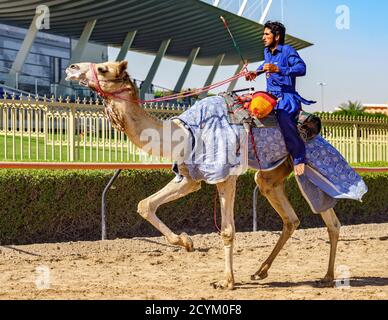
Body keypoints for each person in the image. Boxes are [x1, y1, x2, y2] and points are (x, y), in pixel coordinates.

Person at [246, 21, 315, 176]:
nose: (263, 37)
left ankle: (298, 157)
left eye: (266, 34)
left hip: (287, 96)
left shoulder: (288, 50)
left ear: (276, 37)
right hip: (270, 95)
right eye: (263, 34)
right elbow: (266, 64)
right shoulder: (267, 52)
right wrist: (255, 73)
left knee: (284, 119)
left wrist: (279, 69)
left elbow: (301, 68)